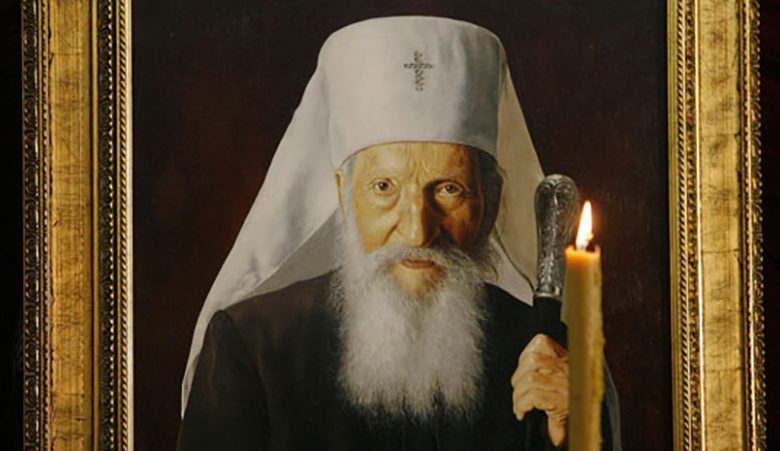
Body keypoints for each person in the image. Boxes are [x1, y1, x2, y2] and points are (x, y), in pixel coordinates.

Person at [177, 16, 619, 450]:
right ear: (344, 195)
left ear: (491, 198)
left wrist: (571, 431)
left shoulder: (545, 350)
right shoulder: (250, 344)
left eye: (449, 189)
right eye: (384, 187)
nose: (417, 231)